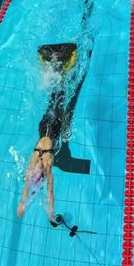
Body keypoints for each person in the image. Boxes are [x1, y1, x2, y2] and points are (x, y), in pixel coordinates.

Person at [16, 43, 86, 220]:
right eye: (37, 171)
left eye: (35, 171)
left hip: (45, 124)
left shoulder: (33, 164)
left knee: (53, 98)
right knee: (60, 96)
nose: (35, 169)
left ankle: (56, 65)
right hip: (54, 126)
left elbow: (26, 189)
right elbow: (50, 191)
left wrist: (21, 205)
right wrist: (51, 213)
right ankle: (59, 66)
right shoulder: (47, 164)